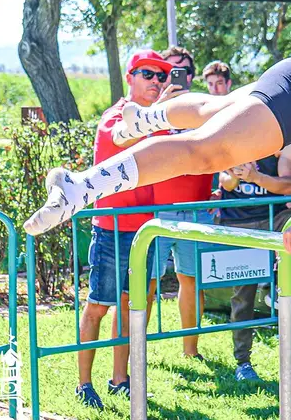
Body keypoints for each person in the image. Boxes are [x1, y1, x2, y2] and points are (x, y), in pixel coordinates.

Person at [74, 50, 170, 409]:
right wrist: (159, 119)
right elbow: (120, 138)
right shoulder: (115, 116)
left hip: (145, 230)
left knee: (130, 309)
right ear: (130, 77)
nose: (156, 82)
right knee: (98, 307)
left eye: (161, 77)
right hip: (112, 230)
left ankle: (120, 380)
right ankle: (84, 385)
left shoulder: (159, 120)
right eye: (148, 74)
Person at [150, 46, 215, 360]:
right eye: (169, 70)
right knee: (145, 283)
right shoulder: (149, 109)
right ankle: (134, 354)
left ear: (192, 75)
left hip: (196, 209)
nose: (177, 75)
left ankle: (191, 351)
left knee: (192, 281)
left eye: (184, 70)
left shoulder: (205, 107)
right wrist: (159, 108)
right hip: (154, 212)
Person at [219, 144, 291, 381]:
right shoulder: (231, 134)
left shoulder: (282, 138)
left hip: (272, 219)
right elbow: (225, 182)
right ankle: (242, 363)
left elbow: (287, 185)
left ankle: (274, 286)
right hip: (238, 225)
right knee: (243, 296)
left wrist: (256, 177)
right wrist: (236, 173)